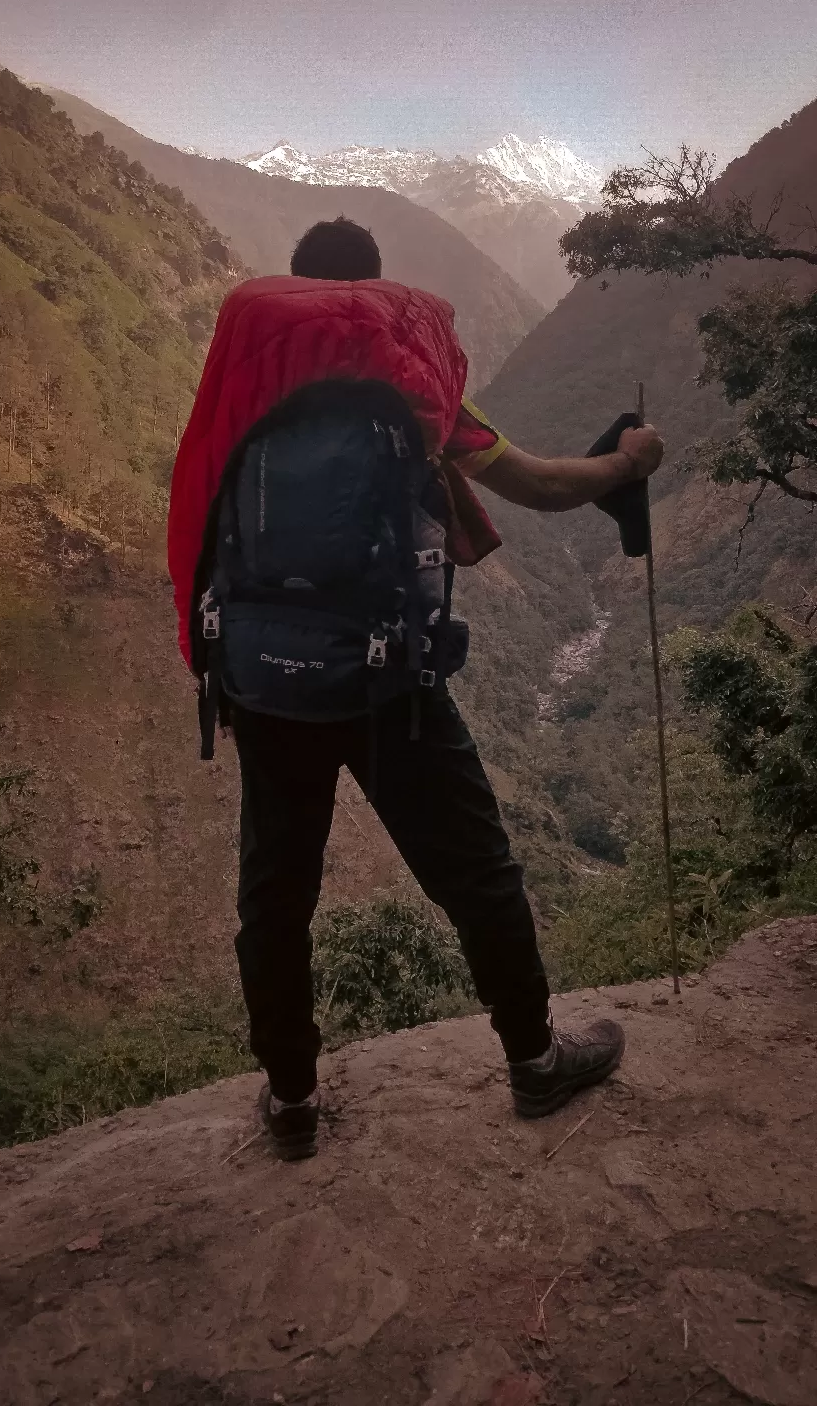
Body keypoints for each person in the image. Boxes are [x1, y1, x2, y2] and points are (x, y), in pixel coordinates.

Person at [168, 216, 664, 1161]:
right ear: (376, 287)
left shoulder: (244, 378)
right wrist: (628, 463)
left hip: (268, 680)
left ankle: (293, 1101)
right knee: (477, 871)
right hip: (390, 678)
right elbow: (548, 484)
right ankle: (532, 1060)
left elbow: (195, 511)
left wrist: (211, 659)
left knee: (275, 898)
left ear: (296, 279)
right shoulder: (413, 382)